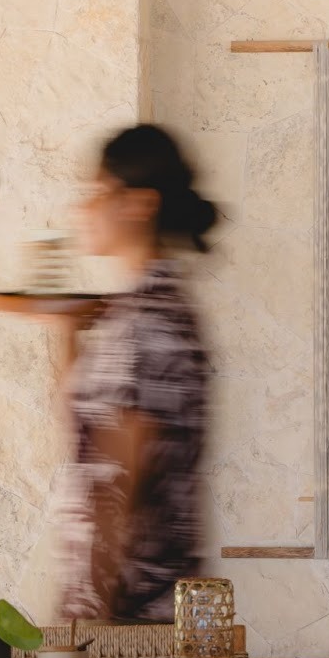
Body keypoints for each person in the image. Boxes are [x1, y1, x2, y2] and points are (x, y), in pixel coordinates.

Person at [52, 124, 216, 622]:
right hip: (124, 606)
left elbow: (118, 480)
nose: (84, 209)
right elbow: (89, 438)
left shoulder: (151, 322)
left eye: (98, 193)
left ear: (140, 204)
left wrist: (92, 616)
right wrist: (67, 334)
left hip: (134, 618)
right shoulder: (135, 313)